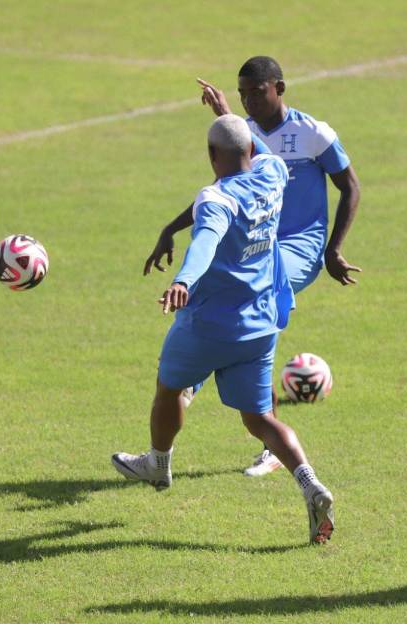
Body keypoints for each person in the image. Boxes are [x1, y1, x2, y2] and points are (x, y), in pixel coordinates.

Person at [114, 115, 335, 544]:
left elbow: (205, 243)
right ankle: (310, 483)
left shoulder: (216, 199)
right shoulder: (272, 173)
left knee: (169, 388)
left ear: (211, 155)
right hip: (260, 324)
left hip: (209, 325)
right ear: (250, 149)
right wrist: (229, 113)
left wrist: (182, 281)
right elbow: (260, 152)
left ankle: (158, 463)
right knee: (260, 418)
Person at [144, 55, 361, 477]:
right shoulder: (247, 138)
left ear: (280, 88)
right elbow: (220, 203)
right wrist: (171, 227)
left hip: (298, 248)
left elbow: (350, 186)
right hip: (261, 246)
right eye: (242, 95)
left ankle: (207, 396)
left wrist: (333, 249)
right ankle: (214, 395)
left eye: (256, 93)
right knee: (235, 308)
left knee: (248, 305)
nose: (249, 102)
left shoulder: (312, 133)